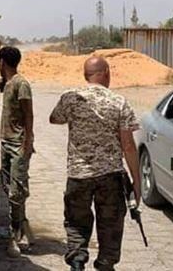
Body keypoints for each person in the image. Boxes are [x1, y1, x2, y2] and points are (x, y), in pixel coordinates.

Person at [49, 56, 143, 271]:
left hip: (78, 176)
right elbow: (128, 146)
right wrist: (137, 182)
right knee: (110, 225)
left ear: (85, 75)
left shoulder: (70, 98)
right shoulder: (119, 101)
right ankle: (106, 264)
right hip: (110, 177)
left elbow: (54, 118)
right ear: (106, 72)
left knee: (76, 223)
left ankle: (76, 261)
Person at [0, 46, 36, 257]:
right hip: (6, 142)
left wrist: (28, 141)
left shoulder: (21, 84)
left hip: (18, 144)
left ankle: (17, 234)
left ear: (2, 62)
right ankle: (20, 226)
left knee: (17, 190)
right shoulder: (7, 82)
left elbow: (29, 114)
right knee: (7, 187)